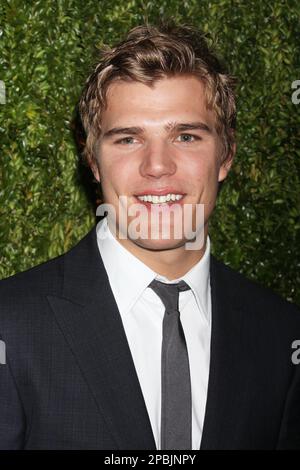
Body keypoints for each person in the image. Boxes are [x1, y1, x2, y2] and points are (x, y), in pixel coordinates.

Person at [0, 20, 300, 450]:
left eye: (186, 135)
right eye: (127, 139)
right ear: (93, 160)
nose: (157, 166)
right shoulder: (9, 326)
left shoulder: (282, 335)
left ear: (226, 155)